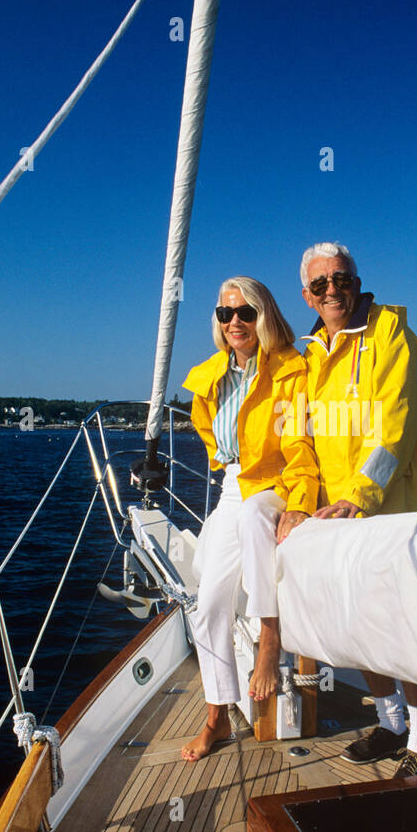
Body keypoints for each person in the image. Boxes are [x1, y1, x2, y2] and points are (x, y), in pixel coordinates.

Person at [301, 242, 417, 776]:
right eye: (321, 284)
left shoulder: (392, 337)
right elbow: (304, 441)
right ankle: (390, 725)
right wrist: (303, 505)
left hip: (395, 513)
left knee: (406, 630)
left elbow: (395, 430)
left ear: (357, 282)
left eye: (341, 279)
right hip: (338, 520)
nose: (333, 289)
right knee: (364, 628)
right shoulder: (311, 354)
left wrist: (358, 497)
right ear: (308, 296)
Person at [180, 276, 319, 761]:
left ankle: (270, 636)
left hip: (275, 483)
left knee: (258, 515)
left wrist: (300, 500)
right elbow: (209, 432)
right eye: (226, 314)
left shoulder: (288, 370)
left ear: (264, 315)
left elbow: (300, 443)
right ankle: (216, 718)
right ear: (218, 322)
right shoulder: (212, 376)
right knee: (209, 605)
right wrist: (226, 466)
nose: (235, 322)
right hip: (233, 485)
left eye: (246, 313)